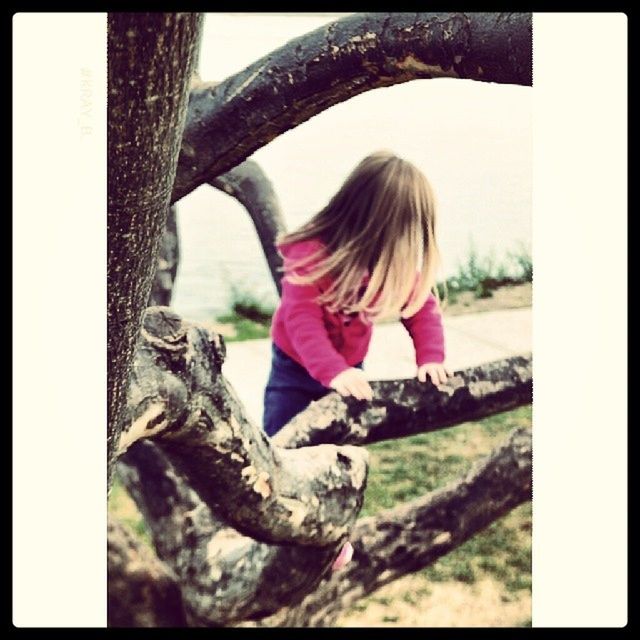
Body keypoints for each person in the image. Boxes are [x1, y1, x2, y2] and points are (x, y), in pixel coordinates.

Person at [263, 149, 453, 438]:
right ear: (372, 224)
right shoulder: (312, 257)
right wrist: (333, 371)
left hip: (350, 363)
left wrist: (430, 358)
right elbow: (302, 320)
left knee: (343, 436)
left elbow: (421, 307)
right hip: (295, 367)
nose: (404, 244)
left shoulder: (388, 261)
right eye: (401, 232)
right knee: (282, 435)